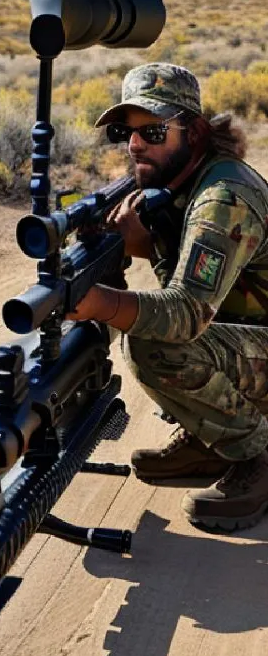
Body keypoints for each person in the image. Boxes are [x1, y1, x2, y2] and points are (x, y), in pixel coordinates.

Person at [67, 62, 268, 532]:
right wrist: (151, 245)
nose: (135, 144)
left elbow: (186, 315)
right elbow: (197, 293)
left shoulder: (225, 197)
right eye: (126, 132)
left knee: (152, 343)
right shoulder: (187, 183)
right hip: (254, 337)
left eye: (153, 131)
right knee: (159, 334)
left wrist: (101, 303)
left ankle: (257, 455)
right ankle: (212, 438)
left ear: (195, 133)